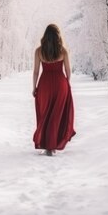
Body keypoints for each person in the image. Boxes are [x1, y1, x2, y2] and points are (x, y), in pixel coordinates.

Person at [32, 24, 76, 156]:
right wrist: (67, 83)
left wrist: (34, 87)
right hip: (60, 85)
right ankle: (53, 146)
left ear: (45, 36)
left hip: (44, 85)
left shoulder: (39, 51)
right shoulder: (63, 51)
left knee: (45, 114)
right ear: (58, 36)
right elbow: (68, 71)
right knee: (56, 115)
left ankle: (47, 145)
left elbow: (35, 72)